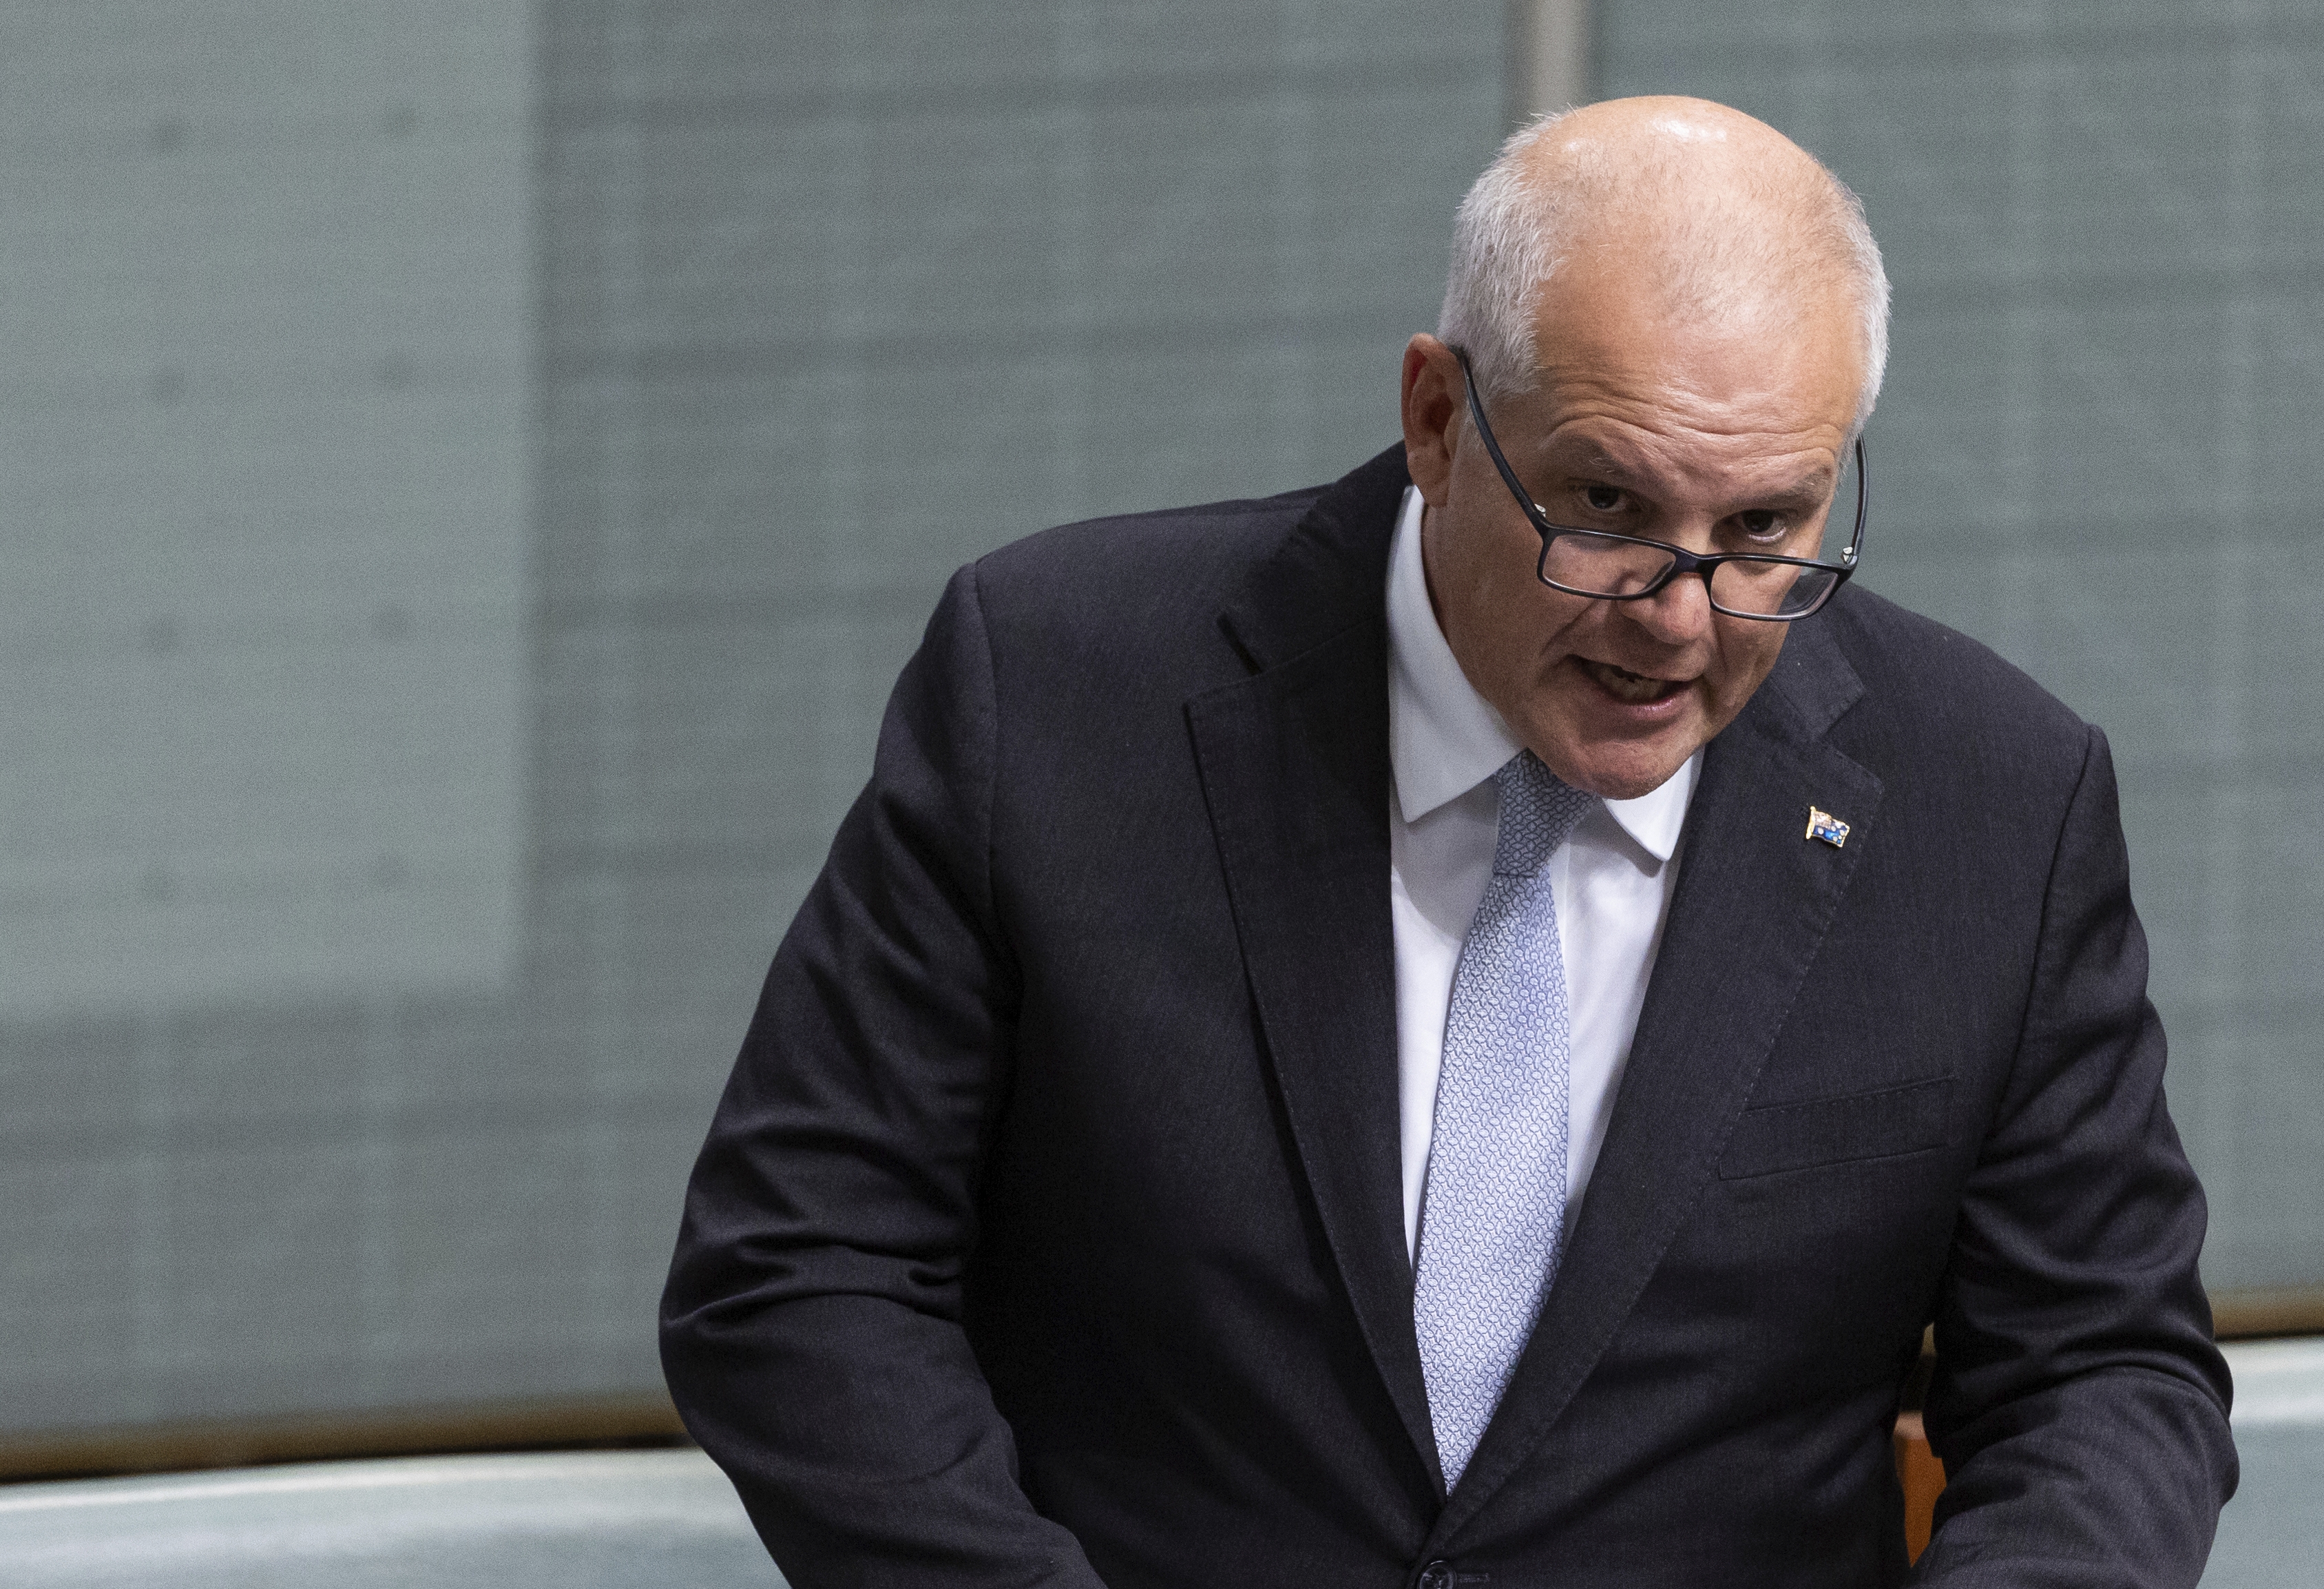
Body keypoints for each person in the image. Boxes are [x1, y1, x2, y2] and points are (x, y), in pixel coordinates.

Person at [660, 96, 2236, 1588]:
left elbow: (2102, 1372)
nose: (1678, 623)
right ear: (1433, 416)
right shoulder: (1062, 691)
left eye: (1762, 527)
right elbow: (800, 1273)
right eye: (1606, 506)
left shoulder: (1993, 803)